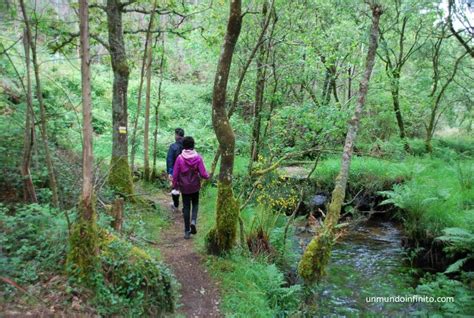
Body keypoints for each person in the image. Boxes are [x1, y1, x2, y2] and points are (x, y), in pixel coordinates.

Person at [172, 136, 209, 239]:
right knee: (195, 204)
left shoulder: (180, 158)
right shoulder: (198, 157)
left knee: (186, 207)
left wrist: (175, 186)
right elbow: (203, 174)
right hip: (195, 186)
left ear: (183, 146)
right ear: (193, 145)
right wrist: (208, 176)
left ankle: (187, 231)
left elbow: (175, 175)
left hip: (184, 187)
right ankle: (193, 221)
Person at [166, 128, 184, 211]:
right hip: (186, 171)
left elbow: (170, 160)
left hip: (175, 171)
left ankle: (176, 205)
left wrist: (170, 172)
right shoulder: (187, 145)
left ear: (176, 135)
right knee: (185, 188)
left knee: (175, 187)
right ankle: (185, 207)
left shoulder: (173, 147)